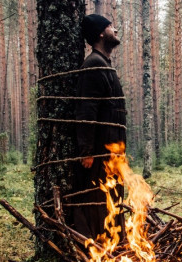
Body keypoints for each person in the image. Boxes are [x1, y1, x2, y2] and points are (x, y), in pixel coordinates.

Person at [73, 14, 126, 240]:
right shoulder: (94, 63)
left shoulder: (104, 63)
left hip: (112, 151)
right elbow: (87, 109)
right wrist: (86, 151)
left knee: (113, 200)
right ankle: (100, 250)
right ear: (100, 33)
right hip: (99, 153)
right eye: (110, 26)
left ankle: (114, 245)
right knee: (99, 201)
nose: (115, 29)